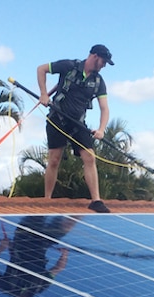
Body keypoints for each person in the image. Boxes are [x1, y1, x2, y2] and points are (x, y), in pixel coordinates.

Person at [37, 44, 114, 213]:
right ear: (94, 56)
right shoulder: (69, 66)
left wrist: (101, 129)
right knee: (54, 159)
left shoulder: (98, 82)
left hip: (78, 124)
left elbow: (104, 108)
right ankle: (47, 199)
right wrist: (43, 94)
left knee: (89, 157)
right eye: (103, 61)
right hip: (57, 119)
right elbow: (41, 69)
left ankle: (96, 201)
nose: (104, 65)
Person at [0, 216, 78, 297]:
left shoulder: (7, 287)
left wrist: (1, 248)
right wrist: (64, 255)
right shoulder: (40, 287)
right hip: (43, 242)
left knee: (38, 214)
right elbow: (58, 269)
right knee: (68, 223)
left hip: (22, 239)